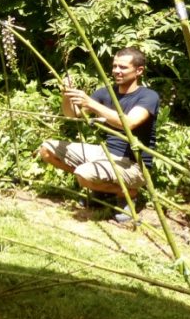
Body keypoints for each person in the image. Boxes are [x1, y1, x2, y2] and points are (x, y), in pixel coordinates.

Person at [38, 47, 160, 222]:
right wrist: (67, 94)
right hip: (105, 154)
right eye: (115, 66)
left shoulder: (148, 96)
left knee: (83, 173)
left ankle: (128, 192)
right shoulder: (106, 92)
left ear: (139, 70)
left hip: (133, 165)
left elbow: (129, 123)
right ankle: (101, 187)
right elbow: (72, 114)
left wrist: (91, 103)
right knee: (47, 149)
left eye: (123, 67)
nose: (117, 71)